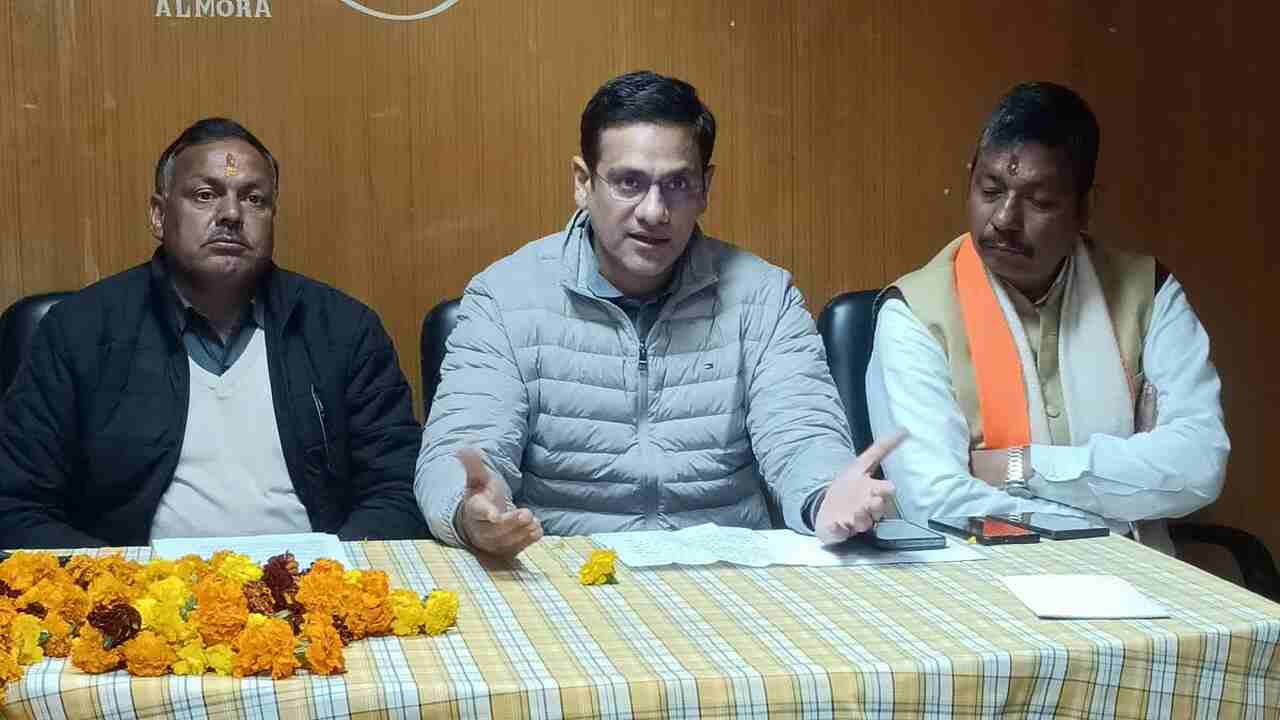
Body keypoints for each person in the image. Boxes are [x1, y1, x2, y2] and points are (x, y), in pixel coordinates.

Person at [416, 70, 900, 557]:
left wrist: (826, 496)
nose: (654, 211)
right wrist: (470, 511)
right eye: (629, 182)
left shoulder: (763, 296)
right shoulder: (505, 297)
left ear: (705, 187)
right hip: (566, 568)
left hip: (730, 569)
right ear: (583, 183)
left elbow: (802, 437)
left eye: (678, 184)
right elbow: (462, 449)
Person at [0, 118, 427, 548]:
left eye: (254, 199)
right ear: (159, 215)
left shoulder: (343, 329)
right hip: (144, 583)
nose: (231, 214)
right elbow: (15, 503)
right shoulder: (80, 330)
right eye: (205, 195)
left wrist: (332, 573)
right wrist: (120, 578)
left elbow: (397, 487)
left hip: (312, 577)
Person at [866, 82, 1228, 553]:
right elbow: (936, 502)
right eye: (990, 190)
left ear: (1085, 208)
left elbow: (1200, 464)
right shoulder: (915, 313)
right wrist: (1119, 513)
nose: (1004, 219)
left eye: (1038, 201)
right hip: (986, 578)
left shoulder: (1149, 293)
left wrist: (1020, 467)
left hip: (1142, 580)